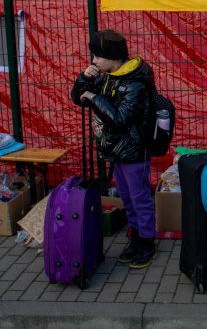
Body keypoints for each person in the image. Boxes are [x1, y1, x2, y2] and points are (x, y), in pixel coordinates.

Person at [71, 29, 158, 269]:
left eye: (98, 57)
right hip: (116, 150)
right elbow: (77, 98)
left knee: (140, 197)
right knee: (127, 197)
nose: (94, 61)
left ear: (113, 57)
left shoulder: (135, 84)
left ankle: (147, 241)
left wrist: (93, 97)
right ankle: (135, 235)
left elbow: (119, 119)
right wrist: (84, 80)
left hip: (134, 151)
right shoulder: (106, 75)